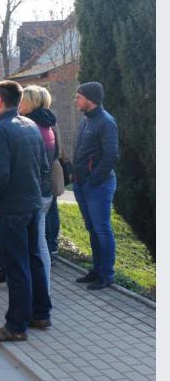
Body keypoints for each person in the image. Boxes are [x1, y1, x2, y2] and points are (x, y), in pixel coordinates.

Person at [0, 80, 52, 343]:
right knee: (33, 260)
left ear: (0, 100)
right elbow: (44, 166)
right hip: (32, 204)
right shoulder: (31, 125)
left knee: (16, 266)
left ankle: (16, 326)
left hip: (11, 209)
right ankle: (41, 313)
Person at [72, 81, 119, 290]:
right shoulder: (85, 120)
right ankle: (97, 269)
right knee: (92, 228)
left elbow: (111, 156)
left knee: (102, 229)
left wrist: (92, 180)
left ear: (90, 99)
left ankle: (107, 274)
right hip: (82, 184)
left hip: (98, 185)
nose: (76, 100)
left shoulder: (106, 121)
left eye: (79, 96)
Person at [20, 85, 59, 296]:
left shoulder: (31, 127)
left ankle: (41, 288)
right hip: (44, 190)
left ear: (31, 102)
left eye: (23, 100)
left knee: (36, 243)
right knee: (40, 242)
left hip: (34, 191)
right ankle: (44, 286)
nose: (19, 105)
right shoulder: (49, 125)